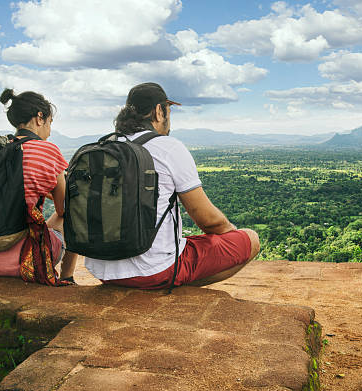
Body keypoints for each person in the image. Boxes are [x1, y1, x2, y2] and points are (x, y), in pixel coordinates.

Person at [84, 82, 260, 288]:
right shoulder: (167, 147)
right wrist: (232, 232)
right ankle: (173, 285)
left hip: (104, 270)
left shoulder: (107, 145)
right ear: (159, 111)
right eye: (168, 110)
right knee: (251, 239)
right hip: (154, 271)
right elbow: (208, 221)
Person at [0, 88, 78, 284]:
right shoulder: (48, 150)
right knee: (74, 212)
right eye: (50, 123)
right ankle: (68, 277)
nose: (50, 131)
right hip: (22, 261)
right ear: (39, 118)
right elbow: (63, 209)